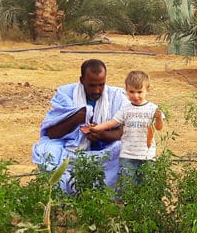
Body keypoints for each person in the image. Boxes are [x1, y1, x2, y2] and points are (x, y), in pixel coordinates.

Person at [32, 59, 129, 193]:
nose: (97, 90)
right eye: (92, 85)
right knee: (46, 151)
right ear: (82, 80)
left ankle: (108, 193)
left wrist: (102, 134)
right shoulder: (66, 95)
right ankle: (60, 194)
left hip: (105, 149)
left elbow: (124, 132)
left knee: (126, 148)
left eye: (101, 85)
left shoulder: (116, 96)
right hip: (70, 149)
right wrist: (75, 119)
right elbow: (51, 133)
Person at [82, 70, 164, 185]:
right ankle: (127, 203)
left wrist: (159, 117)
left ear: (148, 90)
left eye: (140, 92)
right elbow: (112, 123)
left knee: (146, 184)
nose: (135, 95)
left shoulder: (153, 108)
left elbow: (158, 127)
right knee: (127, 184)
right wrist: (96, 128)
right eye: (132, 91)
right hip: (127, 154)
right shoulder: (126, 109)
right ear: (126, 90)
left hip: (147, 154)